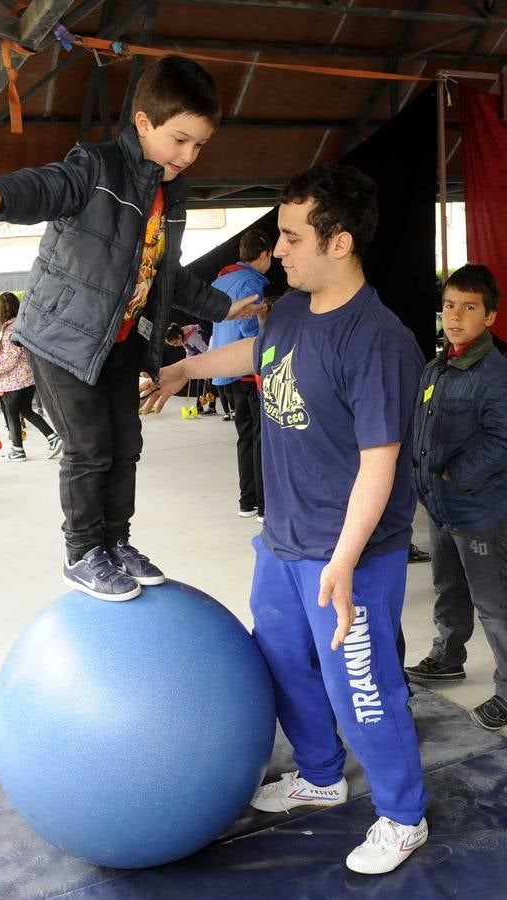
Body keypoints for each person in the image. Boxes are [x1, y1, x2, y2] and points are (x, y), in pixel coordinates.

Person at [140, 164, 428, 875]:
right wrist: (186, 371)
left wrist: (343, 562)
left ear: (342, 243)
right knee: (285, 665)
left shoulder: (379, 341)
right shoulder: (293, 310)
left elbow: (379, 464)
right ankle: (321, 776)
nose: (280, 251)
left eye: (293, 238)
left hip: (349, 554)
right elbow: (259, 356)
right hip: (285, 542)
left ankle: (403, 815)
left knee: (361, 690)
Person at [0, 56, 262, 601]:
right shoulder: (97, 167)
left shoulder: (171, 195)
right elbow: (48, 185)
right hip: (61, 339)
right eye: (180, 140)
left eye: (199, 146)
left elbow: (165, 277)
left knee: (126, 444)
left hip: (117, 341)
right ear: (143, 124)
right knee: (90, 446)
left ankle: (115, 543)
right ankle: (82, 553)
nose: (188, 156)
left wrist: (221, 308)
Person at [405, 264, 507, 732]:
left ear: (489, 316)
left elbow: (502, 438)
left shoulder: (494, 371)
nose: (455, 316)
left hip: (479, 508)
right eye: (449, 305)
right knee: (449, 585)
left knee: (493, 602)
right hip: (441, 507)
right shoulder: (438, 365)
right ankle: (449, 656)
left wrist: (454, 472)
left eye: (469, 307)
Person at [210, 228, 272, 520]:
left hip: (226, 370)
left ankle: (246, 502)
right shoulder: (251, 282)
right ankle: (264, 507)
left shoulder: (221, 279)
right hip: (249, 369)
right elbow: (251, 331)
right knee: (262, 439)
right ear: (263, 255)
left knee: (245, 437)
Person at [0, 292, 63, 461]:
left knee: (12, 414)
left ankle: (17, 450)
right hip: (29, 377)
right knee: (26, 410)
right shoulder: (23, 325)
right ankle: (53, 438)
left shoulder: (8, 330)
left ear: (0, 311)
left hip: (14, 381)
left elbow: (9, 360)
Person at [165, 322, 216, 414]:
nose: (175, 346)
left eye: (175, 343)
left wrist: (204, 367)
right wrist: (187, 366)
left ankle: (212, 407)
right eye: (173, 345)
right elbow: (189, 352)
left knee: (209, 381)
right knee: (199, 380)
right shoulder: (184, 338)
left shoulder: (194, 337)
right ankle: (199, 406)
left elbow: (205, 350)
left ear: (179, 336)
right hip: (199, 357)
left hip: (209, 354)